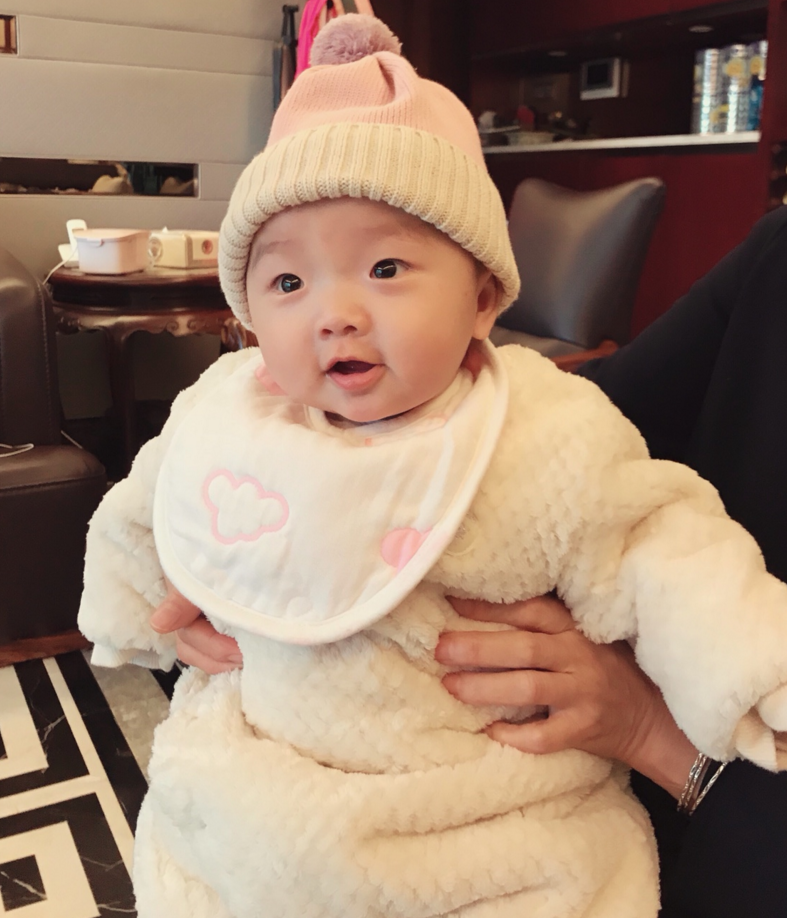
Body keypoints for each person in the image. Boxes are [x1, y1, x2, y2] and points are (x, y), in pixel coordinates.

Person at [78, 15, 787, 918]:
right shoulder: (229, 411)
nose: (332, 313)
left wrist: (752, 670)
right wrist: (148, 601)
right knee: (210, 848)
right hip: (268, 775)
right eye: (288, 283)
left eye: (384, 267)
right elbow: (141, 506)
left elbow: (664, 542)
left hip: (486, 803)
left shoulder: (546, 428)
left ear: (483, 296)